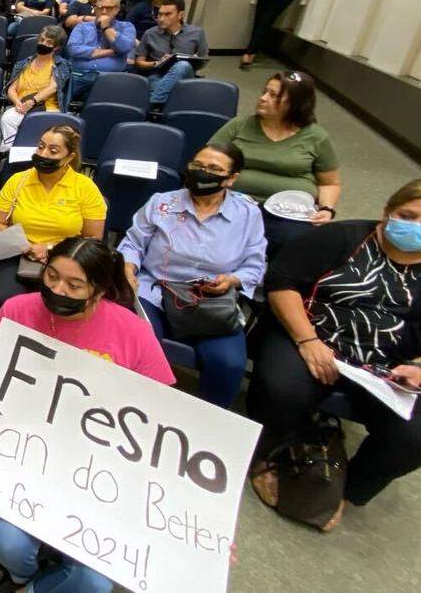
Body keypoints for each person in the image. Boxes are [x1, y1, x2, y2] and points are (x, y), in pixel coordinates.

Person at [0, 237, 173, 593]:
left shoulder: (133, 332)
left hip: (96, 471)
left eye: (74, 285)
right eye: (51, 276)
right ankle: (22, 578)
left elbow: (163, 417)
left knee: (96, 583)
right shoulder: (16, 309)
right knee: (9, 543)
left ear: (98, 290)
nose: (56, 289)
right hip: (23, 454)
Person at [247, 179, 421, 527]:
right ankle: (269, 455)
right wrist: (308, 342)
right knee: (283, 389)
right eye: (408, 215)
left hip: (383, 363)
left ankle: (342, 488)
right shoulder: (341, 238)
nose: (415, 227)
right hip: (308, 335)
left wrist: (417, 366)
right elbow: (282, 283)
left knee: (413, 437)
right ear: (388, 210)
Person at [118, 143, 266, 407]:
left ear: (231, 179)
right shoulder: (162, 203)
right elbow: (132, 243)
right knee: (138, 340)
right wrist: (127, 267)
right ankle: (130, 407)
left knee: (228, 363)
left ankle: (206, 425)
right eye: (198, 166)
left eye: (214, 169)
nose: (203, 173)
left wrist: (232, 280)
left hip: (209, 300)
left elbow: (255, 265)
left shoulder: (247, 214)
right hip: (155, 292)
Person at [210, 71, 339, 255]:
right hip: (234, 202)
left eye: (274, 95)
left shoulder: (316, 137)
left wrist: (327, 209)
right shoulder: (239, 125)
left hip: (289, 212)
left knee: (299, 244)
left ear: (296, 103)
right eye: (264, 91)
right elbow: (207, 160)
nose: (262, 98)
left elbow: (330, 182)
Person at [0, 125, 106, 314]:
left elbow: (93, 238)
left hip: (67, 257)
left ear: (69, 157)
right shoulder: (18, 180)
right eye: (41, 146)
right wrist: (26, 246)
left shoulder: (86, 188)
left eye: (53, 150)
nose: (43, 154)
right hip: (20, 251)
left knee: (59, 301)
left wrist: (50, 248)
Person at [0, 25, 71, 151]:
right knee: (7, 118)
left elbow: (53, 87)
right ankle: (10, 154)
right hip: (22, 106)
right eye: (42, 40)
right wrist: (17, 103)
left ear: (56, 47)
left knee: (37, 124)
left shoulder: (61, 64)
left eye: (49, 42)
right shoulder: (23, 63)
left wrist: (32, 101)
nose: (43, 44)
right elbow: (11, 88)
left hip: (48, 108)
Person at [134, 0, 208, 109]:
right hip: (158, 73)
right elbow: (139, 62)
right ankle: (162, 111)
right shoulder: (150, 34)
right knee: (160, 85)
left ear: (180, 15)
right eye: (160, 14)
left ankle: (148, 106)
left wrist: (193, 59)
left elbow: (203, 60)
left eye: (168, 14)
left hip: (185, 73)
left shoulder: (197, 33)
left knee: (182, 65)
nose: (162, 18)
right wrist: (156, 63)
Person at [66, 0, 136, 101]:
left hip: (111, 77)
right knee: (59, 93)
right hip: (79, 75)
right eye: (100, 7)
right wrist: (111, 51)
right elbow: (73, 49)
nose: (103, 11)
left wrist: (106, 28)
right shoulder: (82, 26)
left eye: (109, 8)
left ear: (117, 9)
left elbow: (125, 47)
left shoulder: (127, 27)